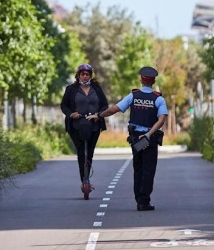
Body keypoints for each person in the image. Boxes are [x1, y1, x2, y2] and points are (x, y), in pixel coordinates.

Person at [89, 66, 167, 211]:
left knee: (138, 169)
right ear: (154, 81)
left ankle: (139, 199)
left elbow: (114, 109)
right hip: (149, 139)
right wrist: (149, 134)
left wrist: (98, 115)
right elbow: (161, 120)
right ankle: (144, 201)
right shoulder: (159, 99)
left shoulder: (133, 96)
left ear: (141, 80)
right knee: (149, 170)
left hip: (136, 138)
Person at [60, 63, 109, 192]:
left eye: (87, 74)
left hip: (94, 124)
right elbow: (64, 106)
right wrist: (71, 114)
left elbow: (105, 105)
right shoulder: (71, 89)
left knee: (90, 152)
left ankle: (87, 178)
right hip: (77, 124)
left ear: (91, 76)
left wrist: (99, 115)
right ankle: (84, 181)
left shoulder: (97, 88)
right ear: (78, 75)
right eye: (83, 74)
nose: (85, 77)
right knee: (81, 152)